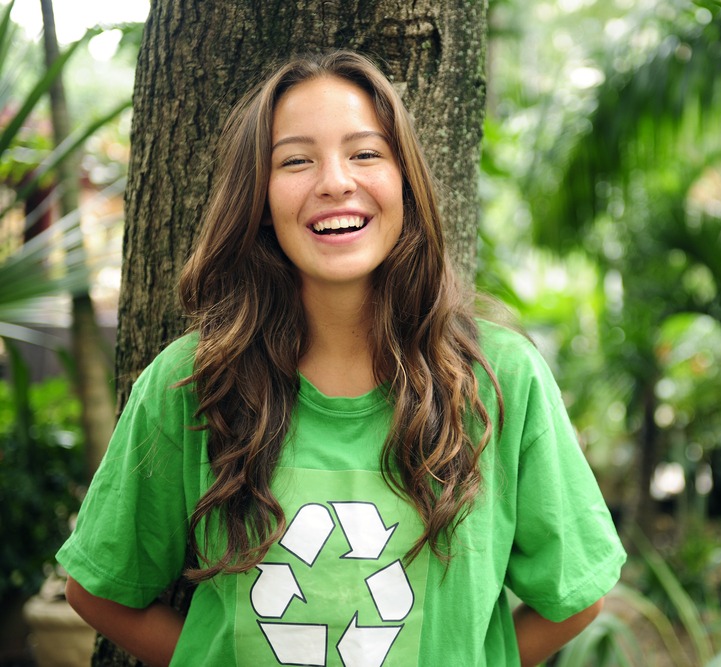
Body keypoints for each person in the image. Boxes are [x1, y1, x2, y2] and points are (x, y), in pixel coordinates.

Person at [57, 50, 625, 667]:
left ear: (406, 180)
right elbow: (98, 590)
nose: (334, 181)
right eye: (296, 160)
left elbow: (575, 595)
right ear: (259, 197)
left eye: (365, 153)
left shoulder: (501, 379)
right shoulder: (190, 383)